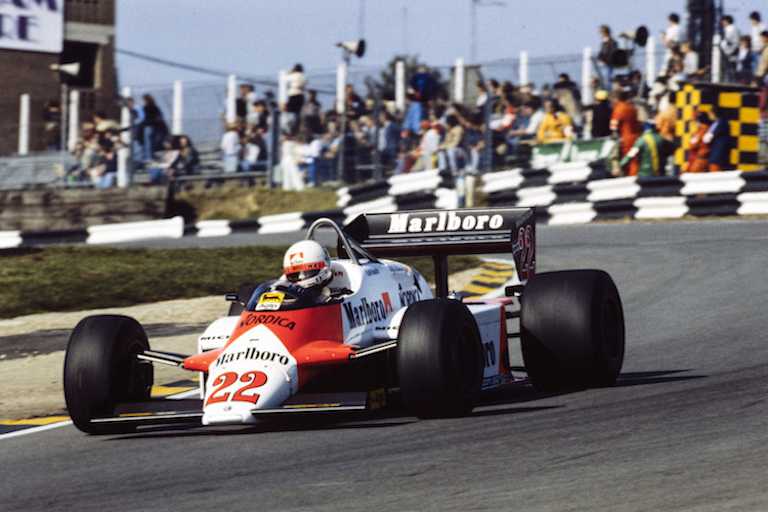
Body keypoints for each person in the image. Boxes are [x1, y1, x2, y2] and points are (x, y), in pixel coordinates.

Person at [610, 90, 641, 176]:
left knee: (627, 160)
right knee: (634, 159)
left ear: (617, 98)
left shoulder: (618, 109)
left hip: (625, 139)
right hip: (636, 137)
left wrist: (614, 138)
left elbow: (614, 126)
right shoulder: (632, 108)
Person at [720, 15, 741, 81]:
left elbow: (728, 40)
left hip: (730, 51)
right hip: (732, 51)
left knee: (730, 69)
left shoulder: (730, 29)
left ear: (726, 21)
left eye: (723, 21)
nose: (722, 23)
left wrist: (722, 44)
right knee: (732, 69)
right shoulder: (735, 28)